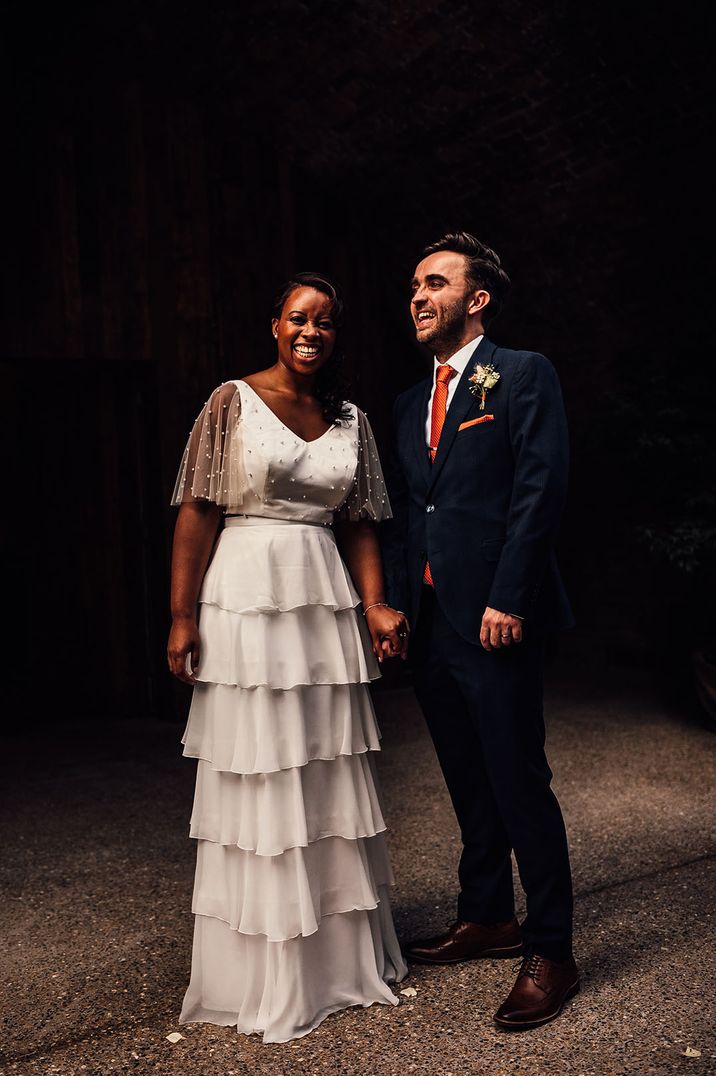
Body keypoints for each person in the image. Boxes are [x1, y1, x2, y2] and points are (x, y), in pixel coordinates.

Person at [167, 272, 409, 1043]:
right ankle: (264, 971)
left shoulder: (352, 419)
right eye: (299, 318)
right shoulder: (229, 401)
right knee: (262, 769)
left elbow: (364, 522)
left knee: (321, 765)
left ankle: (335, 963)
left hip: (322, 600)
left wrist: (374, 603)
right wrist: (180, 615)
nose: (313, 331)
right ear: (274, 324)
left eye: (327, 322)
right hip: (245, 598)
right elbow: (198, 514)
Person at [382, 232, 578, 1029]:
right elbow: (405, 518)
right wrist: (394, 605)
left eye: (435, 283)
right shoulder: (405, 405)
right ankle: (488, 914)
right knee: (468, 777)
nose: (419, 297)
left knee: (518, 779)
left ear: (477, 298)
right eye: (414, 287)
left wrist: (510, 597)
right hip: (431, 627)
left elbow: (541, 489)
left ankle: (551, 949)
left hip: (497, 620)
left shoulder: (521, 374)